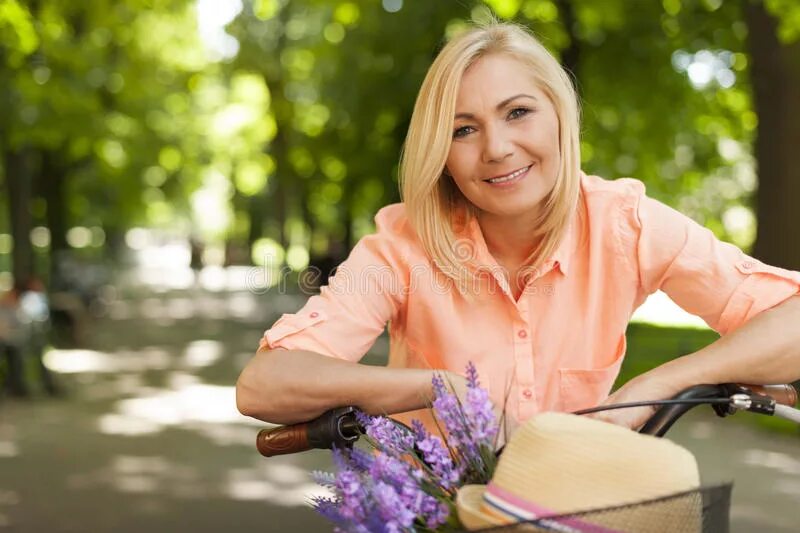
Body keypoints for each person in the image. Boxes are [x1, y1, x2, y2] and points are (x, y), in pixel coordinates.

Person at [236, 22, 800, 437]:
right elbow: (264, 384)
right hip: (439, 510)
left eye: (518, 112)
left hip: (580, 501)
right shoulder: (403, 245)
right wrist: (440, 388)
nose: (497, 149)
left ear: (559, 114)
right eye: (463, 130)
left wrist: (662, 382)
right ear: (441, 152)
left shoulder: (622, 224)